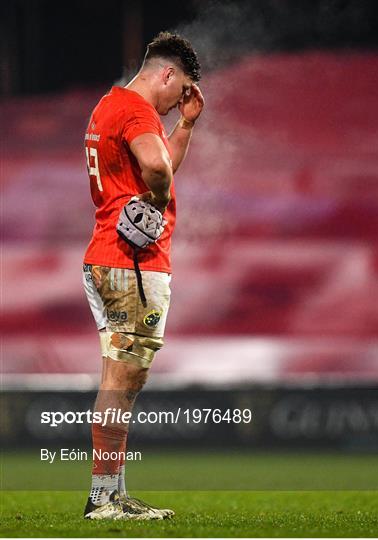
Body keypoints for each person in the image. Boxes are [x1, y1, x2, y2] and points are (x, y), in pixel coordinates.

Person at [82, 31, 204, 520]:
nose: (180, 104)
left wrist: (187, 128)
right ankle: (104, 498)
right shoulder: (137, 111)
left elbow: (159, 162)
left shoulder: (109, 105)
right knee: (122, 378)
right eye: (183, 93)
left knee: (122, 379)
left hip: (107, 255)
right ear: (168, 74)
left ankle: (112, 493)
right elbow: (156, 168)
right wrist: (153, 200)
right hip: (130, 262)